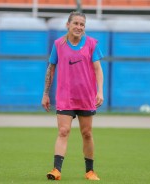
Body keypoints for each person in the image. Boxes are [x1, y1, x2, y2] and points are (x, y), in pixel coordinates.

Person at [41, 11, 104, 181]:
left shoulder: (91, 44)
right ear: (67, 25)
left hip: (85, 97)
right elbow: (51, 68)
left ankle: (90, 171)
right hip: (65, 97)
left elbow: (98, 69)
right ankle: (56, 170)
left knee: (87, 133)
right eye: (75, 23)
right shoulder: (58, 44)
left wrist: (100, 91)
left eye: (82, 24)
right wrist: (45, 94)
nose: (79, 27)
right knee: (63, 131)